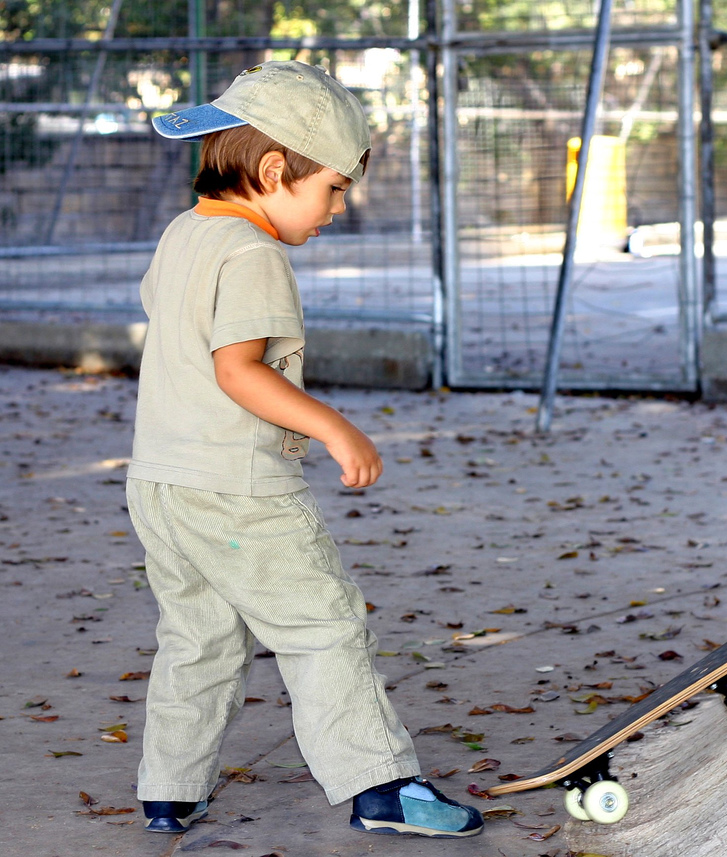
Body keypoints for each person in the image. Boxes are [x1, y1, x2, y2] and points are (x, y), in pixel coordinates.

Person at [125, 60, 484, 840]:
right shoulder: (254, 254)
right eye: (332, 189)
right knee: (323, 623)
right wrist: (331, 424)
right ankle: (380, 784)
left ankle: (170, 787)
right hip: (238, 488)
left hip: (160, 482)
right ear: (275, 169)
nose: (338, 208)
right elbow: (238, 370)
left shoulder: (185, 233)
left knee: (199, 636)